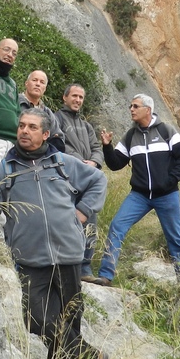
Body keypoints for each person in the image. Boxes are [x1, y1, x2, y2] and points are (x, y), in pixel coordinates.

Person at [0, 110, 108, 359]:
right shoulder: (4, 171)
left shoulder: (62, 163)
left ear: (46, 134)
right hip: (30, 260)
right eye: (22, 125)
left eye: (32, 127)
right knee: (37, 319)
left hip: (68, 255)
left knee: (69, 320)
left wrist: (81, 212)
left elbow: (98, 181)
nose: (24, 130)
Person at [96, 94, 180, 285]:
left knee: (175, 239)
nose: (131, 109)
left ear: (147, 110)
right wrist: (107, 147)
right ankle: (106, 276)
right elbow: (115, 164)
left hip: (167, 195)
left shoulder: (167, 130)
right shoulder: (131, 136)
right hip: (139, 196)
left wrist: (168, 181)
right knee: (117, 226)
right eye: (130, 106)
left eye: (135, 106)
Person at [51, 83, 105, 284]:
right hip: (66, 178)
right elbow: (57, 145)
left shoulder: (86, 125)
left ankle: (84, 266)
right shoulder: (56, 119)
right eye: (74, 96)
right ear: (65, 98)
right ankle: (61, 264)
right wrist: (78, 162)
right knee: (65, 221)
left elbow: (96, 147)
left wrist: (94, 162)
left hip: (88, 179)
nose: (78, 100)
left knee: (89, 222)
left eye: (81, 97)